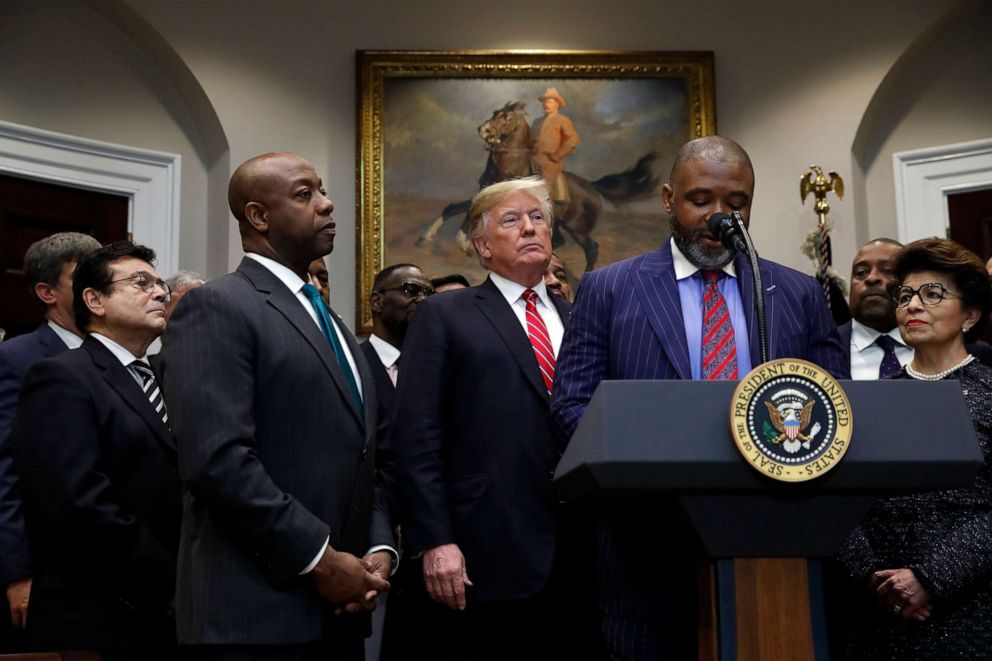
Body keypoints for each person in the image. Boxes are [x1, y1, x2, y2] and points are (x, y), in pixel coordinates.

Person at [551, 135, 848, 658]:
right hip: (643, 544)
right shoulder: (610, 288)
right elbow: (573, 406)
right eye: (701, 200)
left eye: (737, 204)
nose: (720, 217)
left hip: (775, 540)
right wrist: (643, 470)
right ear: (669, 199)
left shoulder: (797, 293)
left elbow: (833, 408)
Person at [159, 152, 393, 659]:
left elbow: (362, 454)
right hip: (255, 618)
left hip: (341, 614)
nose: (328, 205)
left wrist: (376, 550)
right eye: (306, 194)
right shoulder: (220, 305)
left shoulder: (330, 322)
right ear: (258, 216)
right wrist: (322, 561)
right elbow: (217, 461)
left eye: (323, 190)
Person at [392, 177, 570, 659]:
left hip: (577, 553)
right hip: (482, 550)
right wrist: (435, 540)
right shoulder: (446, 315)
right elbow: (415, 437)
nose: (530, 228)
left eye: (538, 218)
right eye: (512, 220)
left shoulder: (579, 317)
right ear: (484, 246)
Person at [10, 241, 179, 657]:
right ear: (94, 300)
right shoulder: (62, 377)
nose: (159, 293)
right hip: (102, 615)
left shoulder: (163, 377)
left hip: (163, 617)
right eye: (141, 283)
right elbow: (79, 502)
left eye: (160, 285)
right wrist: (172, 576)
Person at [839, 237, 992, 659]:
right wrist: (873, 576)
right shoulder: (867, 402)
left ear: (971, 314)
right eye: (905, 296)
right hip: (879, 610)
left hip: (969, 605)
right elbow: (841, 502)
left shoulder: (989, 392)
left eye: (932, 294)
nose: (912, 306)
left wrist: (930, 578)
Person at [0, 231, 99, 645]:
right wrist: (17, 572)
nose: (100, 286)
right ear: (47, 291)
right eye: (85, 277)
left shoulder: (117, 358)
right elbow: (5, 471)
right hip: (46, 575)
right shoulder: (18, 359)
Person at [838, 239, 913, 379]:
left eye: (888, 271)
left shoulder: (936, 345)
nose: (871, 278)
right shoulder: (826, 347)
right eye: (861, 272)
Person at [531, 87, 579, 203]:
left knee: (545, 190)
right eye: (545, 102)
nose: (546, 104)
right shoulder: (537, 122)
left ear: (557, 104)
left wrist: (557, 155)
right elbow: (530, 140)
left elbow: (573, 139)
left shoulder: (562, 120)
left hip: (550, 162)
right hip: (532, 160)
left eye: (550, 102)